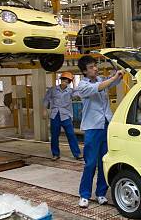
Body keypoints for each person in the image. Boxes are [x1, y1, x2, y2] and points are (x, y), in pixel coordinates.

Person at [75, 56, 124, 208]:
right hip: (92, 127)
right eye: (91, 67)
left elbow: (114, 81)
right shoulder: (82, 86)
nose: (95, 68)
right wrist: (113, 78)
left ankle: (101, 193)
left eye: (95, 66)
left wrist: (119, 72)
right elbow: (100, 87)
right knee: (90, 163)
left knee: (104, 163)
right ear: (84, 71)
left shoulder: (101, 79)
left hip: (106, 125)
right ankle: (84, 194)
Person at [43, 72, 82, 161]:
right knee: (54, 136)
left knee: (71, 135)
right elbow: (46, 99)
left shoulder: (71, 91)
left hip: (66, 115)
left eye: (67, 81)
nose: (65, 82)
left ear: (70, 82)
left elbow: (80, 95)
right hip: (55, 115)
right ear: (61, 80)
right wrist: (44, 110)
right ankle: (55, 154)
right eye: (64, 79)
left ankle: (77, 154)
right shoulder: (53, 90)